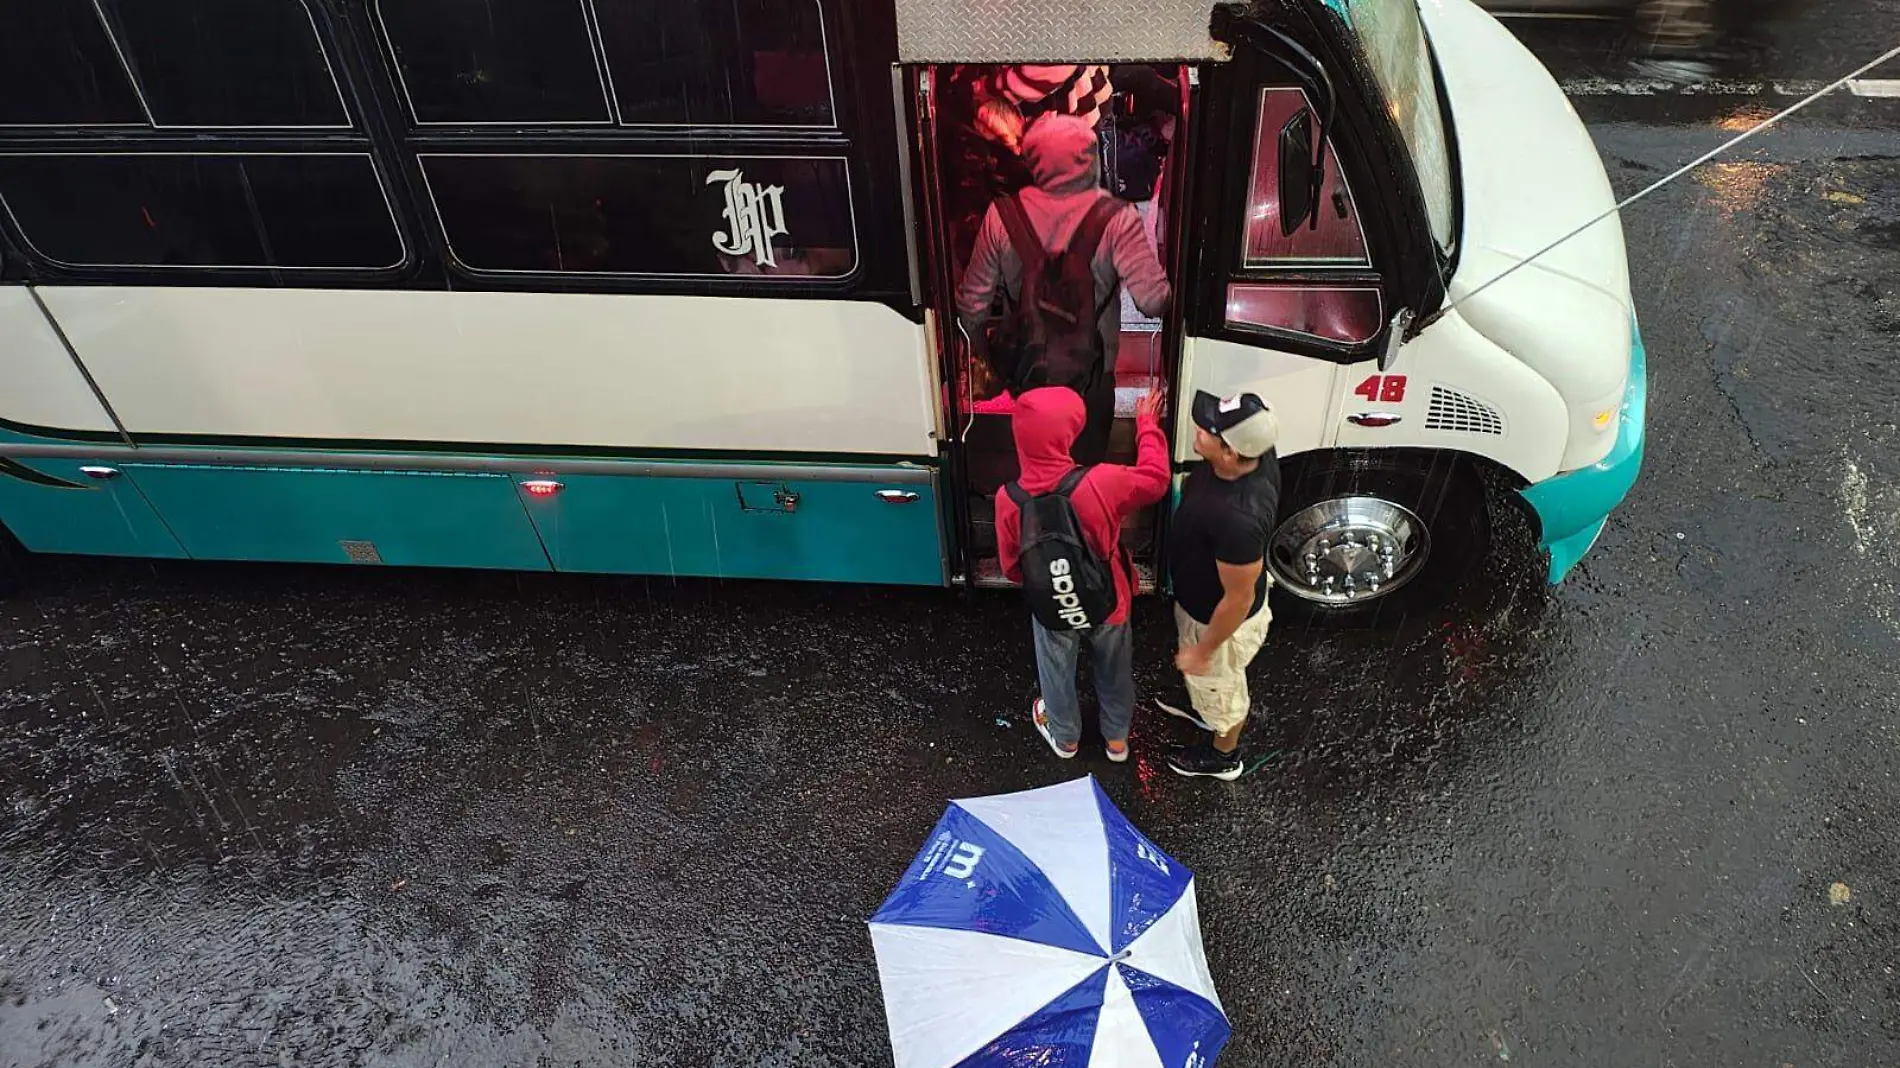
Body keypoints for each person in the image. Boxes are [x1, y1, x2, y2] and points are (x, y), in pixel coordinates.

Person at [955, 115, 1171, 465]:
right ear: (1091, 160)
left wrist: (987, 358)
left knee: (1035, 472)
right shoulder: (1119, 218)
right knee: (1085, 476)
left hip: (1027, 373)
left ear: (1034, 162)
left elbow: (970, 308)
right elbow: (1153, 301)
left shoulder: (1001, 215)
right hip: (1092, 376)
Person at [998, 386, 1170, 762]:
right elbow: (1156, 479)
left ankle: (1065, 738)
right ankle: (1117, 740)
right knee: (1114, 664)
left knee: (1056, 668)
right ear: (1069, 435)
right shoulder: (1102, 481)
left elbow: (1012, 569)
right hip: (1109, 596)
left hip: (1052, 603)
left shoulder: (1007, 498)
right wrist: (1146, 425)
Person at [1155, 391, 1282, 781]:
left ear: (1230, 453)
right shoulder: (1254, 454)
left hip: (1216, 624)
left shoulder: (1238, 520)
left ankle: (1223, 755)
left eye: (1207, 428)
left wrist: (1204, 650)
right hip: (1199, 601)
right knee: (1209, 687)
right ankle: (1203, 705)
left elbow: (1239, 598)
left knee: (1224, 695)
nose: (1198, 427)